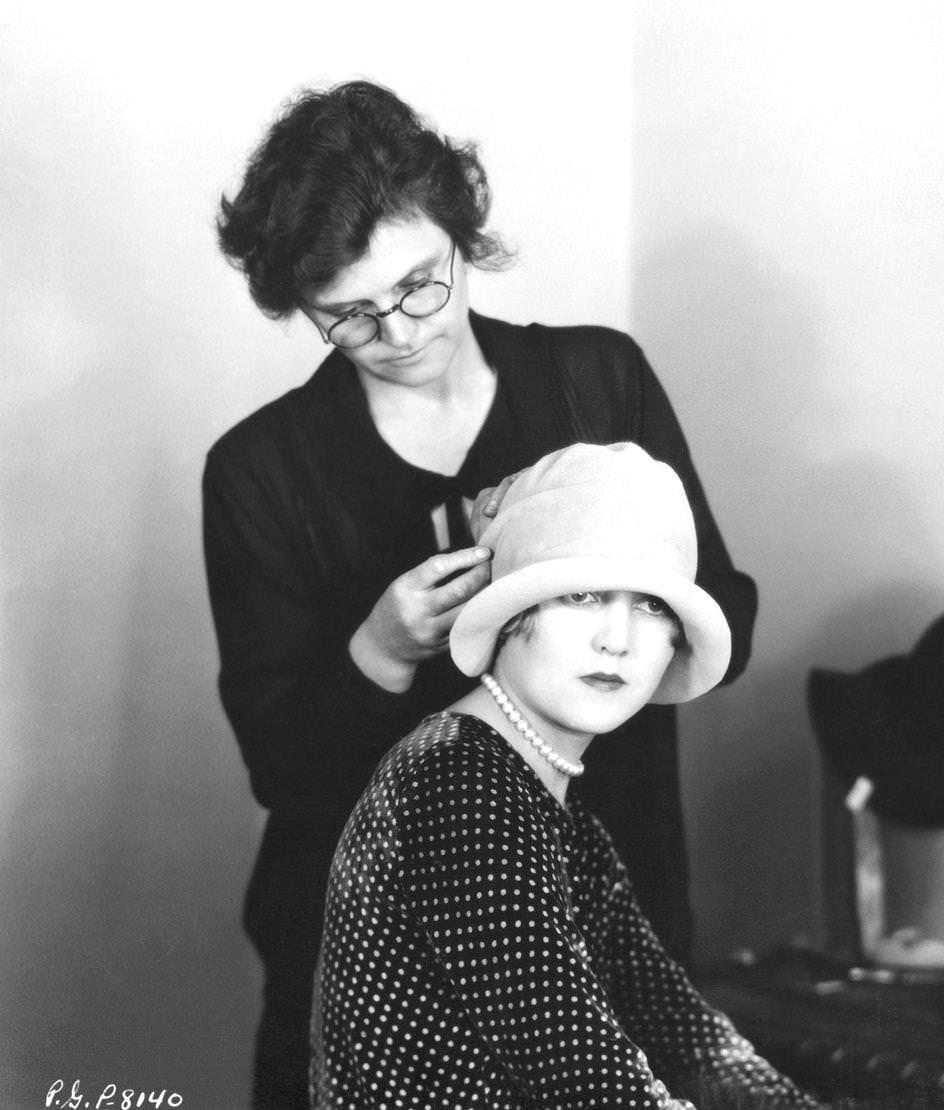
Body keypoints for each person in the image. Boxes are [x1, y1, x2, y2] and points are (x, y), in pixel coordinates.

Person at [203, 80, 757, 1110]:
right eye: (351, 318)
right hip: (370, 965)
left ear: (463, 237)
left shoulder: (598, 381)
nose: (402, 332)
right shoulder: (261, 471)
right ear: (304, 309)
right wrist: (379, 648)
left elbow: (727, 611)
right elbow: (281, 767)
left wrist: (603, 601)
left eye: (422, 285)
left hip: (606, 909)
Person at [311, 442, 815, 1109]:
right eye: (582, 594)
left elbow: (688, 1038)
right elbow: (586, 1078)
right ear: (514, 609)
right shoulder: (459, 784)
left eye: (652, 606)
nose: (618, 637)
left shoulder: (554, 808)